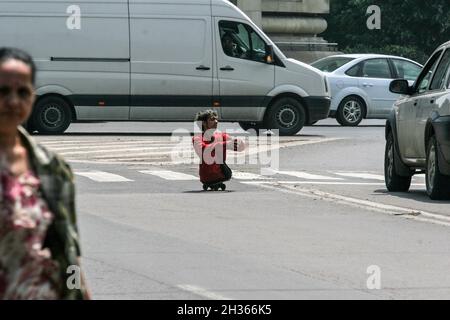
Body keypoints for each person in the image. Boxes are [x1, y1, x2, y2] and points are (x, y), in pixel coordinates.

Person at [0, 47, 89, 299]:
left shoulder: (53, 168)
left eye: (22, 92)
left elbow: (70, 252)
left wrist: (79, 293)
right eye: (3, 91)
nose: (13, 101)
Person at [193, 110, 246, 190]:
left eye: (216, 119)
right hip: (206, 175)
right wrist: (225, 144)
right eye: (212, 119)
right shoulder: (197, 138)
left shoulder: (221, 136)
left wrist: (239, 143)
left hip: (222, 173)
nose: (216, 121)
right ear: (203, 123)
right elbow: (204, 151)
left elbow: (239, 146)